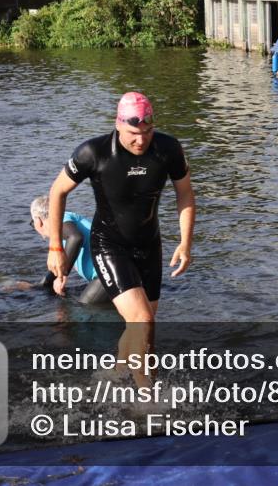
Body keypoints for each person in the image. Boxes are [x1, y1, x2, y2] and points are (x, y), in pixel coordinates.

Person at [46, 92, 195, 384]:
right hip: (109, 244)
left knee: (142, 326)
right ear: (118, 126)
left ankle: (112, 374)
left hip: (150, 245)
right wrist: (55, 246)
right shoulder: (94, 152)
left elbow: (185, 193)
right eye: (133, 134)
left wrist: (185, 242)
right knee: (142, 321)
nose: (141, 141)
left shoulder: (168, 149)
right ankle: (146, 398)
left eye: (147, 132)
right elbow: (57, 192)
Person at [29, 195, 109, 305]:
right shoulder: (62, 231)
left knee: (83, 309)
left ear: (38, 221)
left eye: (32, 223)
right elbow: (59, 265)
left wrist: (62, 276)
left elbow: (76, 238)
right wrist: (37, 287)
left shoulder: (62, 218)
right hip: (108, 272)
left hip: (107, 273)